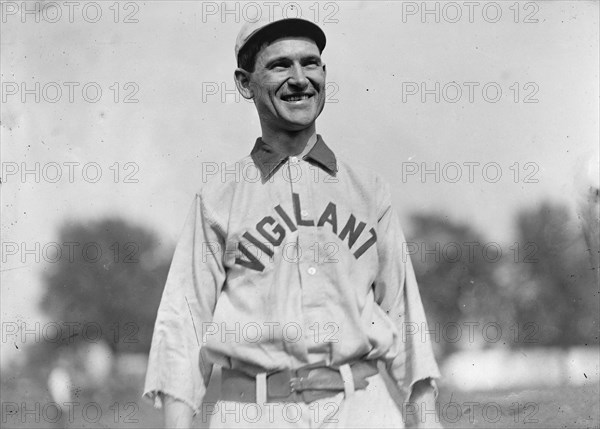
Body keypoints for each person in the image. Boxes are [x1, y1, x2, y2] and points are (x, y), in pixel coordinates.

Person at [144, 14, 442, 429]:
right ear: (245, 83)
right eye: (280, 65)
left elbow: (404, 315)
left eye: (310, 63)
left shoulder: (368, 190)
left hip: (360, 407)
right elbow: (184, 323)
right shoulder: (218, 199)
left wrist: (427, 422)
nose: (300, 78)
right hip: (255, 410)